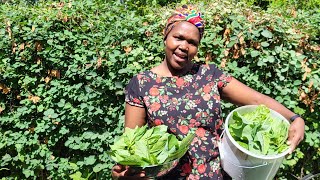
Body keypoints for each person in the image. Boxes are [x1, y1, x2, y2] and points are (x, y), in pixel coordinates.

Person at [112, 5, 305, 180]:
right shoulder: (142, 83)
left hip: (215, 174)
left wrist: (295, 118)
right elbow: (132, 142)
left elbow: (256, 98)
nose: (184, 46)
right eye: (178, 37)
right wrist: (125, 175)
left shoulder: (209, 75)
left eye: (192, 42)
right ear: (166, 36)